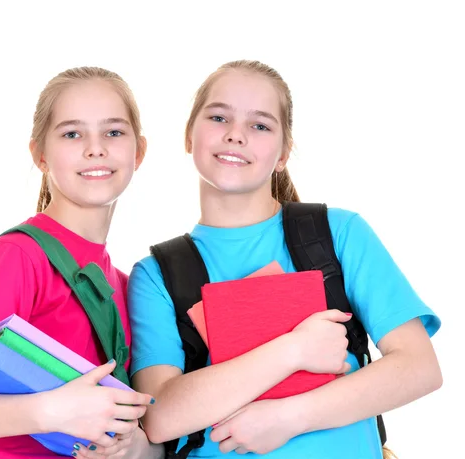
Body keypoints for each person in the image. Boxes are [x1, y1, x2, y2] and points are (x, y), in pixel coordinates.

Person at [128, 60, 442, 459]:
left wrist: (288, 418)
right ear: (189, 136)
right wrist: (292, 350)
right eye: (219, 116)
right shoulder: (159, 273)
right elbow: (159, 417)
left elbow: (419, 368)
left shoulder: (336, 233)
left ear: (283, 153)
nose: (235, 135)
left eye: (260, 125)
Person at [0, 66, 164, 459]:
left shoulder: (121, 284)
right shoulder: (20, 257)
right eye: (72, 134)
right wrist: (54, 411)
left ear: (139, 151)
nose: (95, 147)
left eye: (113, 132)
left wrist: (134, 447)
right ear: (40, 155)